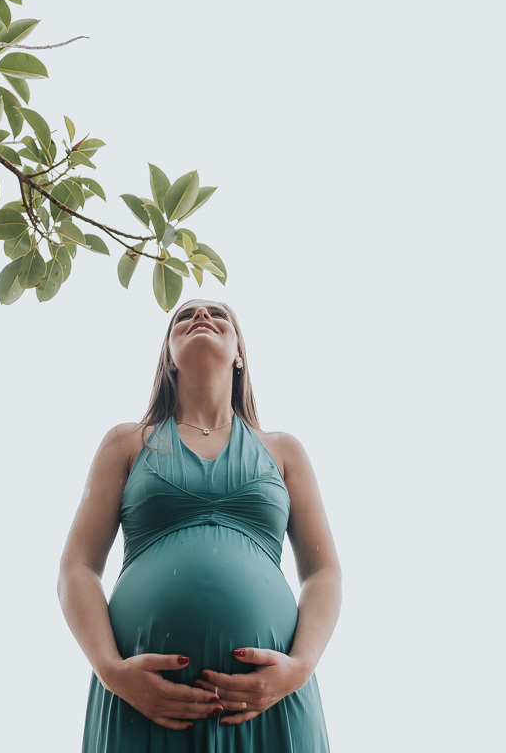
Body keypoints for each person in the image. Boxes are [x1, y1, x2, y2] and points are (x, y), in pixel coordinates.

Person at [57, 299, 342, 752]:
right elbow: (77, 566)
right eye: (185, 316)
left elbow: (324, 572)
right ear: (169, 356)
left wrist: (300, 668)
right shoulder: (127, 442)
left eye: (218, 314)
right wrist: (112, 671)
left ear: (239, 355)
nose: (202, 317)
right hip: (143, 704)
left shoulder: (283, 451)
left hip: (270, 704)